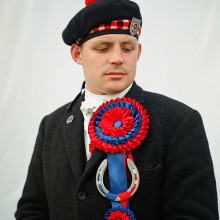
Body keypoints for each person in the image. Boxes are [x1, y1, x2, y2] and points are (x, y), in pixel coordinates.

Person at [15, 0, 218, 219]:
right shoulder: (51, 125)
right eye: (103, 48)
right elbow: (32, 209)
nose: (118, 58)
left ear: (138, 52)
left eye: (128, 48)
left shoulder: (180, 122)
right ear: (77, 54)